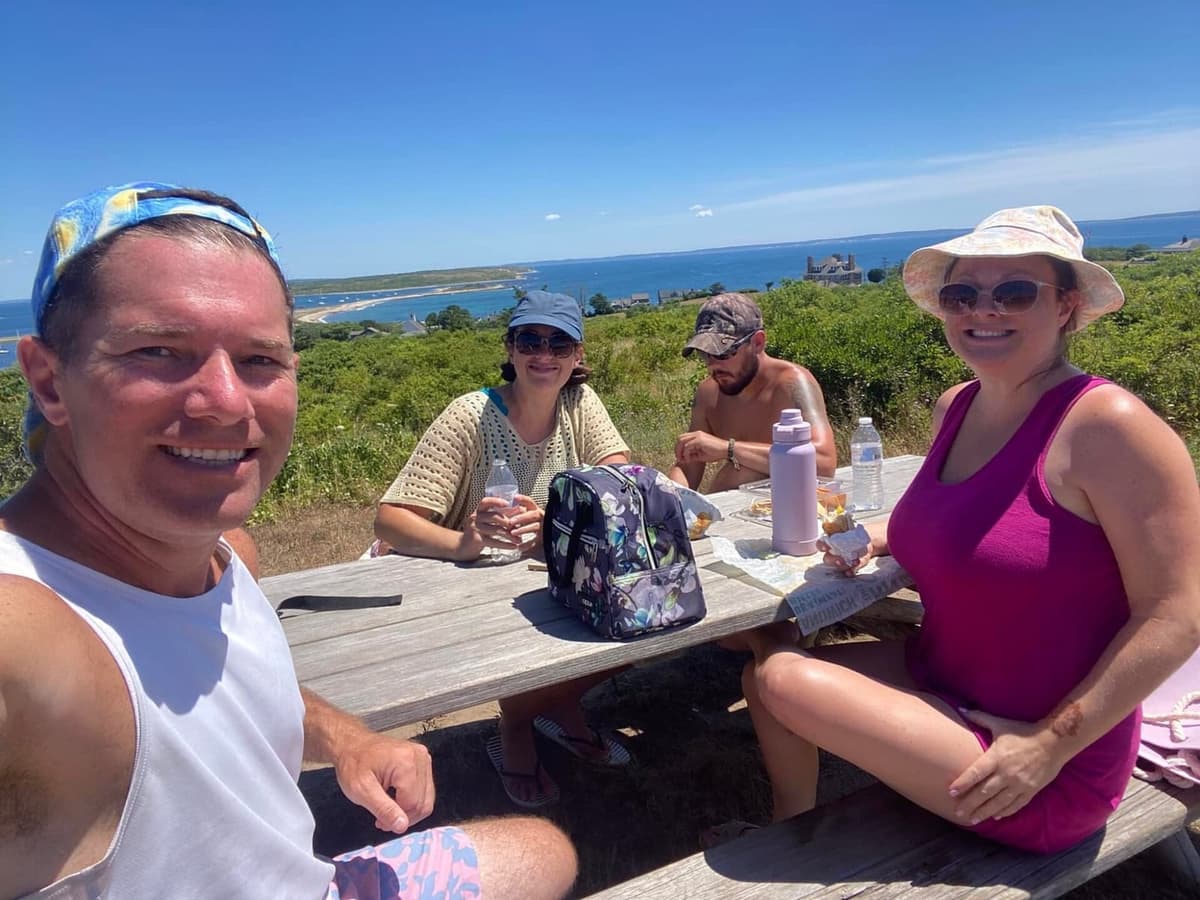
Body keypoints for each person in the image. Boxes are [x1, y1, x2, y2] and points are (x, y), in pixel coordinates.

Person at [0, 183, 577, 900]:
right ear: (50, 382)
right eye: (158, 351)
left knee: (544, 851)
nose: (225, 402)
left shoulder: (224, 556)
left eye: (260, 360)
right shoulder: (25, 626)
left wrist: (347, 739)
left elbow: (218, 678)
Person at [730, 205, 1200, 855]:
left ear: (1065, 306)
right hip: (944, 679)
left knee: (783, 677)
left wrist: (1046, 745)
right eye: (962, 293)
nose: (984, 309)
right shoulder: (958, 406)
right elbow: (975, 518)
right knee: (761, 677)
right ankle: (790, 832)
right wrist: (874, 535)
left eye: (1014, 291)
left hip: (1045, 763)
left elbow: (1177, 616)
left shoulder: (1108, 427)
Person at [373, 290, 633, 809]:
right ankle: (520, 725)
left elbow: (618, 482)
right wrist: (465, 542)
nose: (545, 354)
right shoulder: (470, 415)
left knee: (636, 622)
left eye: (560, 343)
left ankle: (550, 709)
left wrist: (556, 528)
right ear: (510, 349)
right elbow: (392, 521)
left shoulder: (580, 404)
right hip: (450, 576)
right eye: (531, 340)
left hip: (532, 572)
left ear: (578, 356)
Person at [667, 292, 835, 492]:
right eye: (704, 354)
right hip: (739, 514)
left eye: (724, 353)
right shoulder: (708, 393)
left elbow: (824, 464)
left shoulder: (791, 383)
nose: (712, 366)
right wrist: (668, 497)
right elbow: (689, 464)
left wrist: (728, 449)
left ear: (757, 342)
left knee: (744, 472)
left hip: (795, 507)